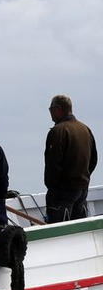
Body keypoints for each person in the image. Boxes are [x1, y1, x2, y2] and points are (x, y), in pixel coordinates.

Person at [44, 94, 97, 222]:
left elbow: (53, 163)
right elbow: (93, 159)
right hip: (82, 188)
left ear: (58, 109)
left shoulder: (58, 131)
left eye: (50, 109)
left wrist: (51, 185)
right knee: (78, 227)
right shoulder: (85, 129)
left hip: (63, 191)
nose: (50, 112)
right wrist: (84, 177)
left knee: (57, 230)